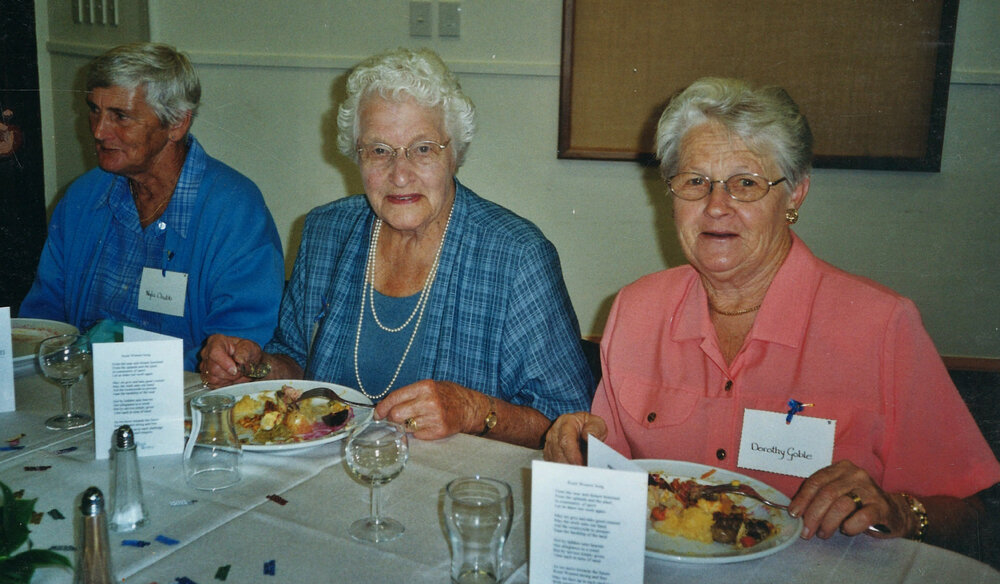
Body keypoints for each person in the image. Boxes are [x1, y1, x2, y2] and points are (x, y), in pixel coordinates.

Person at [543, 78, 1000, 549]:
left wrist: (900, 511)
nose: (717, 207)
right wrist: (580, 446)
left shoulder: (882, 326)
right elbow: (613, 480)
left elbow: (971, 514)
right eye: (695, 182)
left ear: (795, 194)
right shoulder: (636, 310)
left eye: (746, 184)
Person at [199, 48, 592, 448]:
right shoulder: (325, 232)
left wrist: (474, 411)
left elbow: (571, 421)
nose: (400, 174)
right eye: (379, 150)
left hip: (456, 489)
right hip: (324, 476)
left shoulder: (516, 256)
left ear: (454, 154)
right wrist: (257, 368)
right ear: (357, 156)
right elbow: (295, 359)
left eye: (423, 149)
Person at [19, 43, 284, 371]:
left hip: (182, 404)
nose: (99, 131)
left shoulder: (235, 212)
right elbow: (43, 322)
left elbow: (237, 351)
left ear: (176, 124)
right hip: (78, 393)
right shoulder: (82, 199)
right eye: (94, 109)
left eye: (120, 116)